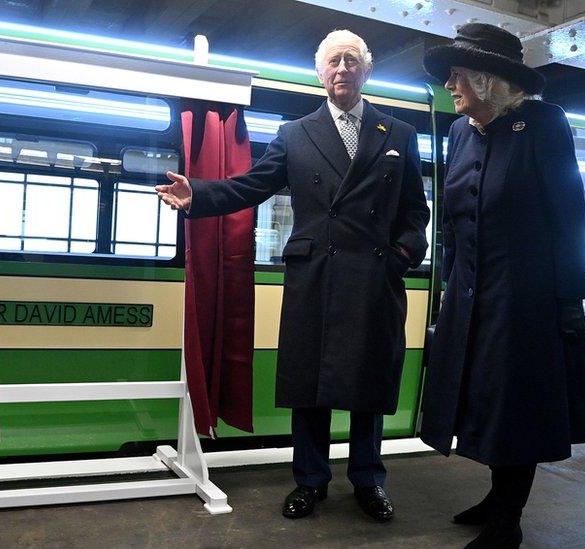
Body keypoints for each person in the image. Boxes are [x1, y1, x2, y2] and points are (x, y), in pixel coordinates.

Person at [157, 29, 429, 522]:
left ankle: (368, 479)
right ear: (320, 73)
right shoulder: (295, 134)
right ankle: (310, 480)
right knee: (312, 385)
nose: (342, 69)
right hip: (316, 278)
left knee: (368, 385)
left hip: (373, 279)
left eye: (351, 60)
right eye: (333, 62)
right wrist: (198, 194)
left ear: (366, 71)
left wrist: (401, 255)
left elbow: (416, 212)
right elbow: (253, 185)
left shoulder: (399, 134)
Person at [420, 23, 585, 548]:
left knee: (515, 407)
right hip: (471, 295)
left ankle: (509, 519)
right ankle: (498, 497)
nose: (450, 85)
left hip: (526, 299)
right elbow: (452, 220)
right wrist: (448, 290)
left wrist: (571, 299)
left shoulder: (544, 124)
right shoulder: (459, 133)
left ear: (488, 79)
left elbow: (569, 217)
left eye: (458, 76)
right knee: (481, 401)